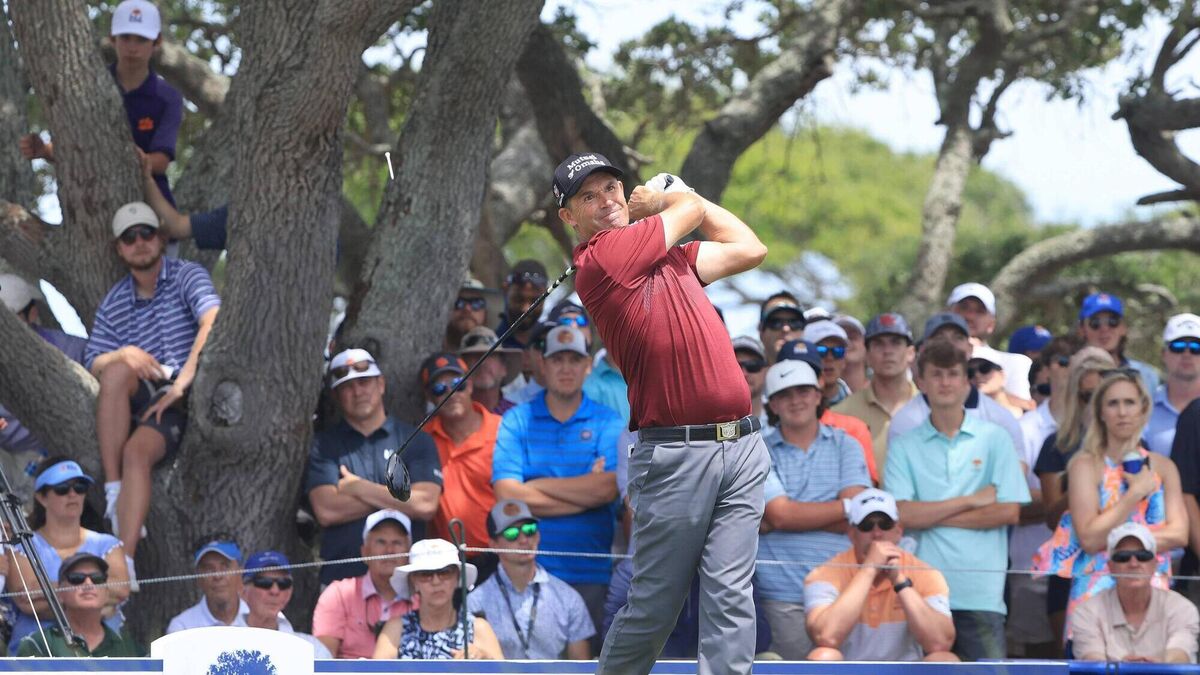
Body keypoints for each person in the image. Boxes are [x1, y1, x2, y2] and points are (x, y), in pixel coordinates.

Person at [558, 153, 768, 675]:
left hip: (742, 446)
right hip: (677, 454)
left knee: (731, 596)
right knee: (655, 605)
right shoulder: (600, 258)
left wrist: (672, 200)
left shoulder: (671, 259)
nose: (606, 201)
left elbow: (749, 248)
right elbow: (689, 210)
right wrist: (668, 198)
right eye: (588, 196)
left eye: (611, 188)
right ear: (569, 217)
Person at [86, 201, 220, 560]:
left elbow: (212, 321)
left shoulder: (187, 275)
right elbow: (92, 360)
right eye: (129, 237)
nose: (139, 242)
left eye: (146, 233)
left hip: (188, 390)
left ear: (160, 238)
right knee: (116, 370)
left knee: (136, 453)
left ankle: (125, 558)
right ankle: (114, 491)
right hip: (145, 395)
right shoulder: (114, 301)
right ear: (119, 248)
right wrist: (123, 353)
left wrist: (181, 384)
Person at [884, 339, 1030, 660]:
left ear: (967, 382)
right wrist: (973, 500)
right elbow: (902, 515)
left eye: (953, 374)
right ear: (921, 382)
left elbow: (1009, 512)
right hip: (922, 591)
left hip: (981, 593)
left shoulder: (996, 438)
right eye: (936, 374)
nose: (945, 382)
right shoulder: (904, 444)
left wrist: (931, 514)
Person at [1035, 370, 1187, 633]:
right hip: (1095, 597)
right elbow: (1089, 539)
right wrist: (1134, 494)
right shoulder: (1084, 465)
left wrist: (1114, 539)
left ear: (1143, 409)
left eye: (1130, 402)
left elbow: (1180, 534)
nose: (1122, 412)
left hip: (1152, 597)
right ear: (1101, 412)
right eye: (1113, 403)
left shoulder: (1164, 467)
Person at [492, 325, 621, 633]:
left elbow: (607, 489)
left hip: (590, 572)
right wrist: (585, 491)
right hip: (527, 572)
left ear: (587, 366)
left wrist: (534, 486)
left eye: (574, 360)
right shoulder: (516, 419)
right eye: (557, 359)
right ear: (543, 364)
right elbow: (507, 495)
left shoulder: (609, 420)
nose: (566, 368)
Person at [755, 361, 871, 659]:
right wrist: (843, 508)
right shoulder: (758, 451)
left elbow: (858, 517)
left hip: (841, 591)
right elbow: (780, 514)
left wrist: (787, 517)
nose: (796, 400)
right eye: (785, 394)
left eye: (803, 391)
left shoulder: (847, 444)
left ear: (819, 395)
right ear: (773, 405)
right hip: (779, 594)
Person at [19, 0, 182, 207]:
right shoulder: (89, 85)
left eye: (141, 39)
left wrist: (133, 158)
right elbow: (76, 147)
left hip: (151, 205)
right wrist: (44, 150)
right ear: (112, 38)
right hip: (92, 202)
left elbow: (161, 161)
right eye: (125, 37)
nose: (132, 47)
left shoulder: (168, 97)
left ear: (157, 42)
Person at [306, 348, 442, 585]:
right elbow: (327, 510)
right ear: (336, 396)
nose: (358, 392)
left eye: (364, 382)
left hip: (409, 583)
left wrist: (359, 488)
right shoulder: (323, 445)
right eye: (347, 387)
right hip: (342, 582)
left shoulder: (417, 440)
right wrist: (401, 500)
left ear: (381, 384)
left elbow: (426, 504)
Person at [805, 488, 957, 662]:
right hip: (849, 671)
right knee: (823, 656)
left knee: (944, 659)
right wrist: (869, 570)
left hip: (905, 671)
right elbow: (826, 637)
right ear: (852, 534)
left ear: (898, 531)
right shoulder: (825, 573)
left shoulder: (926, 573)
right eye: (866, 526)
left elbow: (940, 643)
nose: (877, 534)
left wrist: (899, 581)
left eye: (885, 525)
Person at [1031, 347, 1114, 647]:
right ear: (1074, 397)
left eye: (1102, 395)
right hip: (1070, 569)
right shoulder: (1057, 445)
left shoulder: (1136, 447)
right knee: (1074, 659)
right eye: (1086, 396)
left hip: (1124, 564)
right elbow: (1052, 519)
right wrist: (1083, 478)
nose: (1094, 405)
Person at [6, 459, 130, 655]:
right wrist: (94, 604)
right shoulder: (21, 546)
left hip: (102, 654)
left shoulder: (108, 543)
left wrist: (51, 594)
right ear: (42, 497)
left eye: (80, 487)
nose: (73, 494)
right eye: (62, 489)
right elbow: (26, 600)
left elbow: (122, 589)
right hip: (37, 655)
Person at [468, 500, 594, 659]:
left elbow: (581, 667)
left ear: (538, 535)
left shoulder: (568, 598)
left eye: (530, 530)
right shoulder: (475, 602)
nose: (523, 540)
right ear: (493, 544)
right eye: (511, 534)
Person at [889, 313, 1025, 454]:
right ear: (922, 349)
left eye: (958, 338)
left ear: (970, 348)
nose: (949, 344)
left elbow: (1017, 465)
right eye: (939, 338)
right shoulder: (905, 421)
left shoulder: (1000, 418)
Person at [1072, 522, 1198, 663]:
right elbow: (1092, 661)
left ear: (1155, 564)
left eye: (1143, 556)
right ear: (1110, 566)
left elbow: (1180, 655)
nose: (1133, 564)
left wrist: (1156, 668)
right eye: (1123, 557)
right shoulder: (1087, 611)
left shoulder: (1181, 608)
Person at [374, 539, 503, 660]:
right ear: (414, 581)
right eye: (425, 574)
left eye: (445, 572)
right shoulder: (397, 628)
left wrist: (484, 659)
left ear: (457, 577)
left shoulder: (478, 628)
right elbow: (377, 671)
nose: (436, 581)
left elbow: (503, 670)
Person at [420, 353, 498, 550]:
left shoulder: (502, 430)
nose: (451, 393)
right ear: (430, 397)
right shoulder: (423, 439)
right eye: (439, 388)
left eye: (458, 384)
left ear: (470, 385)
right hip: (447, 559)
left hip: (500, 552)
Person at [313, 510, 415, 659]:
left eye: (397, 543)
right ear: (365, 552)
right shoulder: (338, 594)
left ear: (409, 554)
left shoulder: (423, 596)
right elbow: (323, 657)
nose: (389, 550)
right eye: (381, 542)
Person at [777, 339, 878, 483]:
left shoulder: (853, 429)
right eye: (789, 376)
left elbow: (864, 489)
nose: (799, 384)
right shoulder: (761, 437)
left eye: (809, 375)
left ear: (821, 381)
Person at [15, 553, 143, 657]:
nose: (88, 584)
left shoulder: (131, 652)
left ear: (106, 593)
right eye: (77, 578)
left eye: (97, 578)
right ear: (60, 593)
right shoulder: (37, 645)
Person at [835, 312, 918, 470]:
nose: (887, 351)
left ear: (910, 353)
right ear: (867, 355)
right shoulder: (842, 413)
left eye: (896, 343)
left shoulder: (932, 409)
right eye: (879, 344)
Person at [240, 551, 331, 658]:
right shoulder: (224, 640)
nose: (275, 591)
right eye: (264, 583)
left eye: (283, 583)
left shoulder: (313, 650)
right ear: (243, 591)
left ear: (289, 592)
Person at [1077, 292, 1160, 393]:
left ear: (1123, 328)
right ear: (1082, 330)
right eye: (1095, 323)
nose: (1104, 329)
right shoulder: (1072, 375)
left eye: (1113, 321)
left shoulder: (1147, 375)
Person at [165, 535, 246, 632]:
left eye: (225, 567)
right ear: (198, 578)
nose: (217, 576)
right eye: (209, 568)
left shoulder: (258, 617)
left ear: (240, 573)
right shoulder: (182, 627)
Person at [1145, 313, 1200, 456]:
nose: (1187, 354)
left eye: (1196, 347)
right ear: (1164, 354)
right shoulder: (1143, 408)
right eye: (1178, 346)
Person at [458, 327, 519, 415]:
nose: (482, 363)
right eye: (475, 356)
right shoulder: (454, 416)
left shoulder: (518, 416)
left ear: (504, 368)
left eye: (490, 356)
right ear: (462, 366)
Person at [497, 260, 549, 350]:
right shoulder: (490, 340)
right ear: (506, 290)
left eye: (535, 301)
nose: (526, 309)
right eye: (518, 300)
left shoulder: (551, 340)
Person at [804, 320, 853, 406]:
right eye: (821, 351)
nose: (830, 358)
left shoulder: (858, 404)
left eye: (838, 351)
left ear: (844, 360)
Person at [446, 278, 493, 352]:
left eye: (477, 303)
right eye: (458, 302)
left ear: (486, 313)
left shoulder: (496, 350)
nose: (467, 309)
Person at [759, 292, 806, 363]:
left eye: (795, 323)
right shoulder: (745, 369)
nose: (786, 329)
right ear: (761, 330)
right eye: (776, 323)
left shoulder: (821, 368)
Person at [733, 336, 768, 419]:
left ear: (766, 370)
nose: (744, 373)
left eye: (753, 366)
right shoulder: (710, 421)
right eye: (735, 367)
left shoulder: (784, 419)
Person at [835, 315, 869, 392]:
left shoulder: (882, 391)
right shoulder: (816, 395)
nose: (847, 343)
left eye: (852, 337)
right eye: (840, 339)